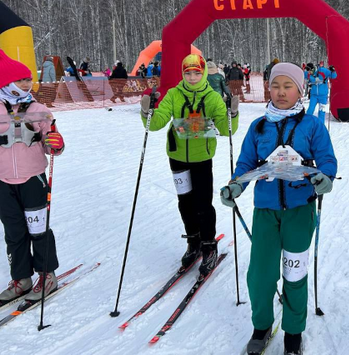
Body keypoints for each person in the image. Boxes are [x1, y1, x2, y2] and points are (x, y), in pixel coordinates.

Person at [220, 62, 337, 355]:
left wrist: (325, 178)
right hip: (266, 211)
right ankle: (261, 327)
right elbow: (246, 163)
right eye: (275, 85)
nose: (281, 92)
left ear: (300, 90)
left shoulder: (312, 125)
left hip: (300, 210)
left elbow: (327, 160)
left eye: (288, 86)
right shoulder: (258, 127)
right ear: (268, 88)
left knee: (294, 274)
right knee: (260, 274)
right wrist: (236, 185)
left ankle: (293, 334)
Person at [140, 54, 239, 275]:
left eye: (196, 72)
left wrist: (232, 114)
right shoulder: (174, 95)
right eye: (188, 73)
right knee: (185, 202)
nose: (192, 77)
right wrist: (147, 111)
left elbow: (226, 129)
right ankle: (193, 241)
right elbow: (156, 123)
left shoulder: (212, 97)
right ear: (183, 73)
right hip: (177, 158)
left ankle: (209, 246)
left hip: (202, 159)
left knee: (203, 204)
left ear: (203, 72)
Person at [0, 50, 64, 304]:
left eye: (29, 79)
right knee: (14, 233)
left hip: (33, 180)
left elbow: (53, 143)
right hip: (3, 183)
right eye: (22, 80)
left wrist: (56, 144)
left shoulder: (39, 109)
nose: (28, 84)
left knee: (38, 230)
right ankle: (21, 279)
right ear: (6, 82)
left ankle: (47, 275)